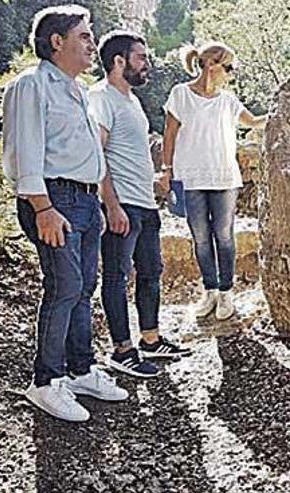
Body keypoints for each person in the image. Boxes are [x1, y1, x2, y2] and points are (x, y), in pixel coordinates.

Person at [2, 5, 128, 423]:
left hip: (85, 201)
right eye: (85, 36)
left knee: (83, 286)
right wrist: (43, 208)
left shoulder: (76, 90)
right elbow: (25, 151)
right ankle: (45, 381)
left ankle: (79, 370)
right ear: (57, 41)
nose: (93, 43)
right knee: (65, 284)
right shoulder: (32, 85)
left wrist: (105, 203)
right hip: (54, 200)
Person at [89, 31, 192, 379]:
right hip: (121, 206)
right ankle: (122, 350)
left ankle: (150, 340)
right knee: (117, 277)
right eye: (141, 57)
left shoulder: (131, 99)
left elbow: (128, 154)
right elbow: (97, 154)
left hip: (144, 203)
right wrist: (112, 205)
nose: (147, 64)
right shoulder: (100, 98)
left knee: (151, 271)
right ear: (119, 61)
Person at [161, 43, 267, 320]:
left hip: (224, 178)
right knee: (200, 238)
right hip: (190, 178)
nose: (231, 74)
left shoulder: (228, 100)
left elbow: (254, 122)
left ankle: (226, 293)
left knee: (223, 235)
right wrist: (166, 170)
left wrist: (281, 113)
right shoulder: (180, 94)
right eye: (229, 67)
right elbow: (169, 135)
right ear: (211, 65)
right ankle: (209, 291)